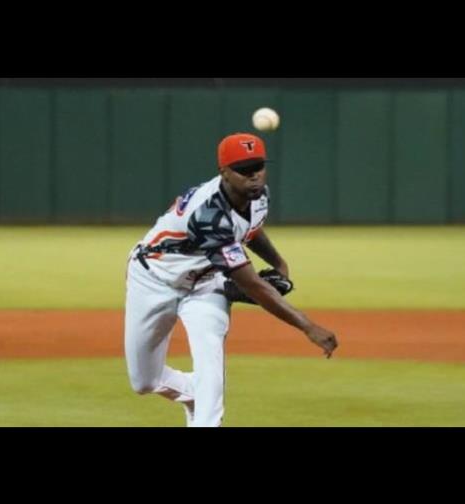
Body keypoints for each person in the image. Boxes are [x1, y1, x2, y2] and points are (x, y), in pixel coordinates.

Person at [124, 132, 339, 427]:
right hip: (153, 279)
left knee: (209, 365)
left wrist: (278, 262)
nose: (254, 176)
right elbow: (251, 284)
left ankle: (205, 414)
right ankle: (193, 395)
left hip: (206, 284)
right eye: (244, 170)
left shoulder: (258, 194)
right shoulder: (207, 214)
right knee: (144, 381)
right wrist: (308, 326)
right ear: (224, 172)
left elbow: (248, 229)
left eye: (258, 167)